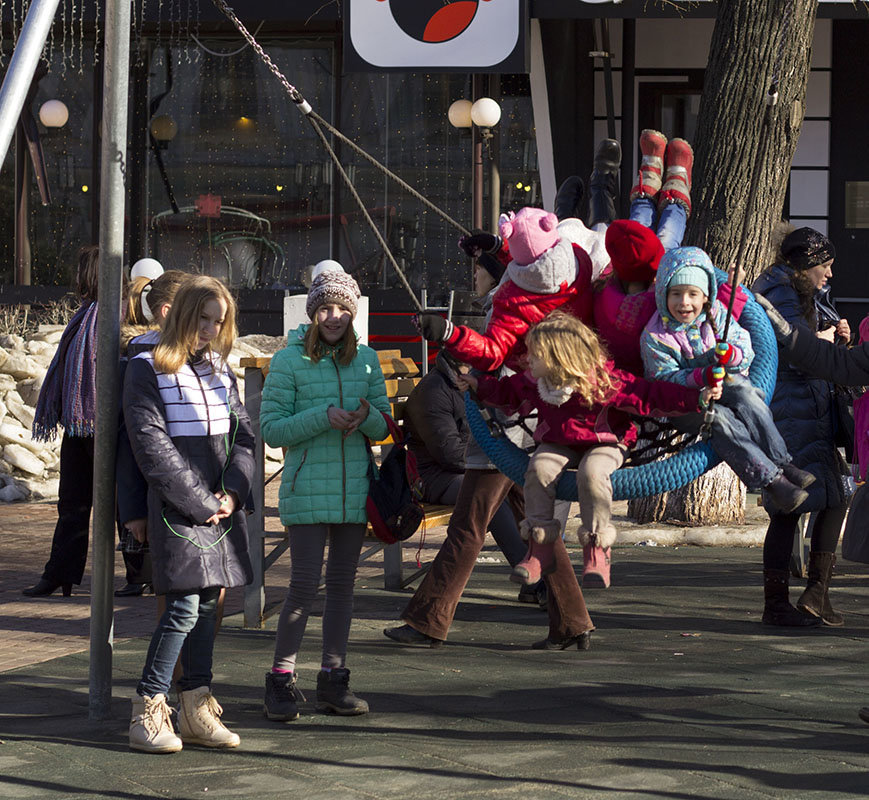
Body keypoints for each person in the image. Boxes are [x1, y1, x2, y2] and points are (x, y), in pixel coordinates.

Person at [466, 311, 713, 583]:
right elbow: (507, 393)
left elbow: (650, 396)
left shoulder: (604, 381)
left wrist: (696, 398)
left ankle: (597, 548)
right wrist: (478, 385)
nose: (528, 359)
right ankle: (540, 548)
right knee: (538, 470)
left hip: (607, 442)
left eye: (535, 354)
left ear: (558, 357)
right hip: (559, 442)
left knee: (592, 474)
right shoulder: (536, 381)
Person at [640, 245, 818, 621]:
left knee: (746, 392)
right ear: (663, 294)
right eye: (675, 293)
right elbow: (662, 381)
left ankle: (783, 462)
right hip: (684, 405)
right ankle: (771, 480)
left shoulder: (717, 316)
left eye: (692, 294)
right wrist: (702, 373)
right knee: (720, 422)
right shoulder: (655, 334)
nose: (684, 303)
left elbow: (744, 349)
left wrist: (729, 358)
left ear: (705, 296)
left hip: (722, 387)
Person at [123, 275, 254, 753]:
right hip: (179, 505)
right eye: (202, 318)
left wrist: (233, 494)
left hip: (218, 505)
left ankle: (197, 703)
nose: (209, 329)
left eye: (217, 322)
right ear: (181, 314)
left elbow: (244, 435)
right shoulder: (146, 367)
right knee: (182, 605)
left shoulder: (219, 367)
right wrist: (203, 502)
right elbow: (150, 445)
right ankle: (149, 708)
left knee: (207, 606)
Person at [260, 262, 390, 721]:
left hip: (354, 491)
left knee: (341, 587)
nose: (334, 316)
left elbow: (384, 426)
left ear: (353, 314)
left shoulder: (368, 359)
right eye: (326, 308)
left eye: (343, 309)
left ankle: (333, 680)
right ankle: (280, 680)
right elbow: (272, 430)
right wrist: (325, 416)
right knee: (302, 585)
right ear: (313, 312)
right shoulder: (287, 360)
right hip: (306, 492)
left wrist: (363, 417)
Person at [752, 226, 852, 627]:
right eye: (825, 266)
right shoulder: (781, 291)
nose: (829, 274)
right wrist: (828, 338)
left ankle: (812, 595)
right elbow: (795, 348)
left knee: (832, 495)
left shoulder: (790, 288)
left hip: (806, 406)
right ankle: (787, 603)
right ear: (807, 263)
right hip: (792, 408)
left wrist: (834, 339)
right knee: (790, 506)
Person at [24, 246, 102, 598]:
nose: (75, 280)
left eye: (80, 272)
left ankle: (139, 574)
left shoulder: (112, 317)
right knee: (72, 502)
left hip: (105, 424)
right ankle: (59, 574)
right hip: (78, 425)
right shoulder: (82, 316)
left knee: (122, 503)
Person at [115, 268, 189, 597]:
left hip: (201, 492)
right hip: (161, 489)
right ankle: (139, 571)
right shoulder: (139, 360)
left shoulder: (207, 359)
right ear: (168, 312)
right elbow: (128, 438)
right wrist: (132, 511)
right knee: (174, 597)